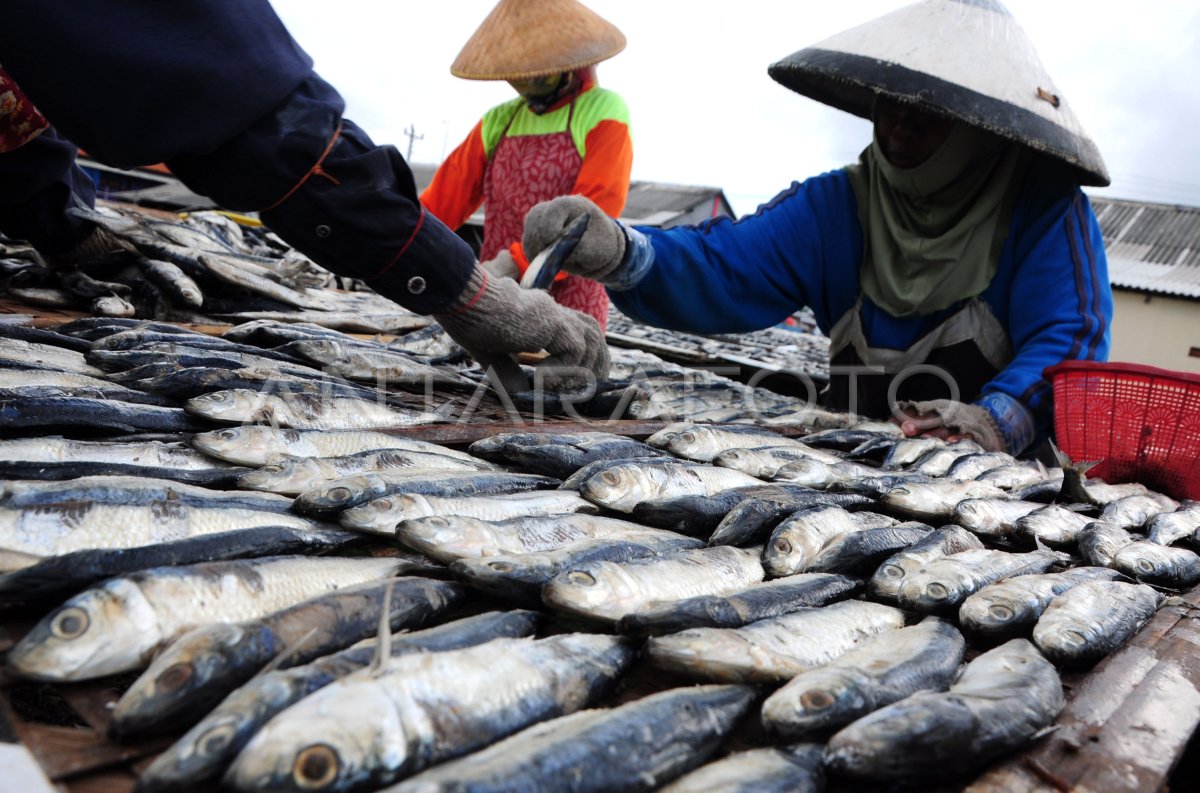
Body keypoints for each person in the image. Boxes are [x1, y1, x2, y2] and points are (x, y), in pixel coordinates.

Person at [516, 0, 1113, 455]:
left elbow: (1071, 340)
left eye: (929, 113)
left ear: (979, 127)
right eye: (892, 102)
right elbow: (729, 265)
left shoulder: (1044, 214)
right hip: (846, 462)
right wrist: (624, 250)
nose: (901, 125)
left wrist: (993, 420)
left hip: (981, 490)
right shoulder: (839, 205)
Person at [0, 0, 606, 388]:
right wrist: (457, 277)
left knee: (566, 355)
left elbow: (596, 208)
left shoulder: (605, 112)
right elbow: (228, 93)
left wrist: (55, 220)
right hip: (494, 271)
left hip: (560, 277)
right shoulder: (498, 121)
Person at [420, 0, 632, 331]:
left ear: (567, 62)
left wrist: (513, 264)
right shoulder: (499, 120)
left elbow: (591, 214)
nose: (527, 84)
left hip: (570, 298)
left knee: (560, 375)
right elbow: (443, 201)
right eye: (520, 76)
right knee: (487, 379)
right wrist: (403, 240)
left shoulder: (603, 110)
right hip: (498, 294)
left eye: (538, 75)